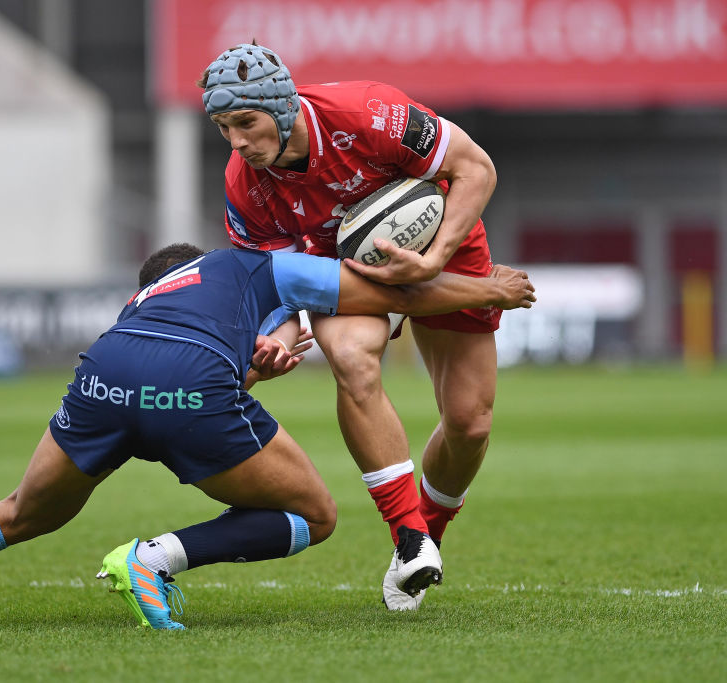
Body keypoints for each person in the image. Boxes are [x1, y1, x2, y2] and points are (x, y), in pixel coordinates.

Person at [0, 244, 534, 631]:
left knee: (22, 510)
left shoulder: (148, 295)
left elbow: (163, 373)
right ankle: (153, 558)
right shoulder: (251, 265)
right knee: (316, 516)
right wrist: (487, 290)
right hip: (190, 387)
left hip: (105, 372)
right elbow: (388, 292)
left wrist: (240, 373)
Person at [200, 43, 512, 610]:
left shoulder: (369, 114)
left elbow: (476, 168)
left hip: (439, 244)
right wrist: (278, 336)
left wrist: (433, 259)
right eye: (224, 128)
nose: (238, 141)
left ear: (284, 106)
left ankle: (427, 538)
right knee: (350, 357)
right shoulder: (244, 184)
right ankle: (409, 535)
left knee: (469, 423)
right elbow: (276, 283)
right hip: (337, 271)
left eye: (246, 122)